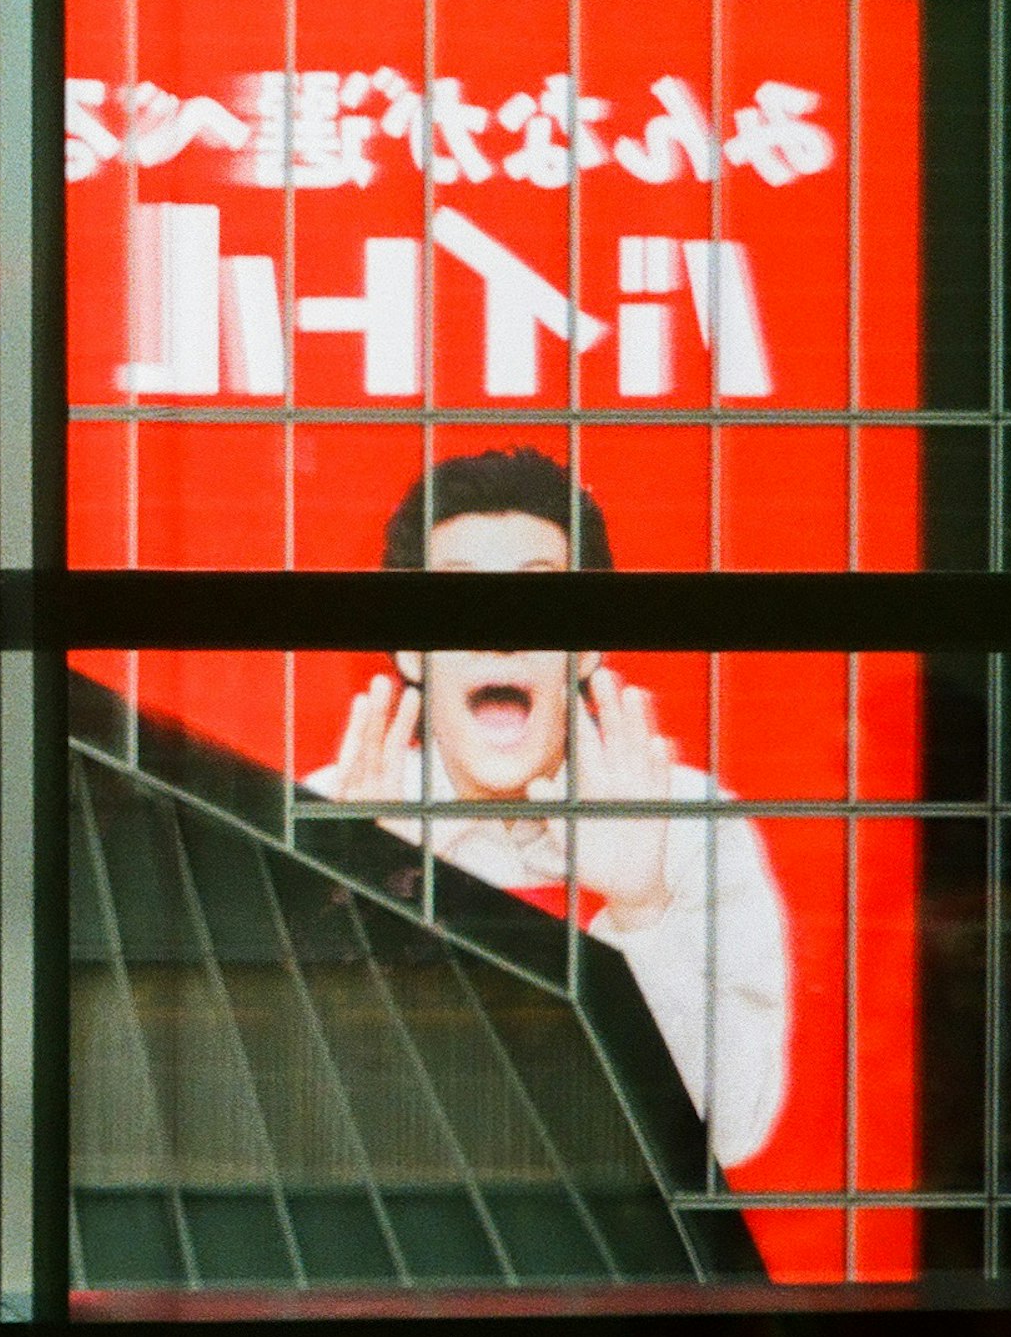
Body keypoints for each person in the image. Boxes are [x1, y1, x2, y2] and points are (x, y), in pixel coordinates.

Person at [303, 447, 790, 1170]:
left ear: (588, 642)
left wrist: (643, 908)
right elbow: (302, 1117)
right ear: (408, 646)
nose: (501, 631)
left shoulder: (686, 820)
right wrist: (368, 898)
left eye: (540, 596)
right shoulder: (338, 814)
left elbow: (732, 1131)